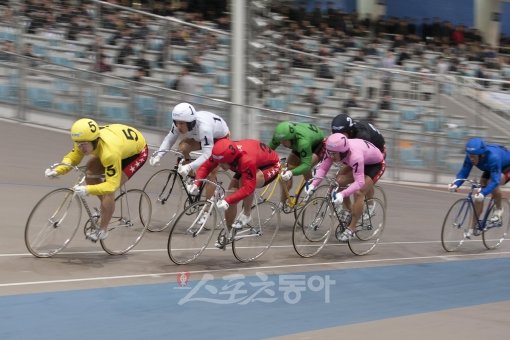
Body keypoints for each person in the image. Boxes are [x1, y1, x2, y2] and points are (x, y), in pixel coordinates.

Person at [44, 118, 148, 241]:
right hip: (120, 142)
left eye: (84, 145)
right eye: (78, 144)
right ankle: (105, 208)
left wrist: (87, 190)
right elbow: (73, 158)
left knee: (108, 192)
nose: (81, 148)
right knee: (89, 173)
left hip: (136, 153)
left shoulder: (109, 153)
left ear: (95, 140)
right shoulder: (84, 138)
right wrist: (58, 170)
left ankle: (103, 230)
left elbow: (111, 185)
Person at [188, 139, 280, 248]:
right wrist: (196, 183)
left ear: (230, 159)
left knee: (244, 184)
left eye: (222, 163)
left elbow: (248, 188)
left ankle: (247, 214)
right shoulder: (221, 154)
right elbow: (205, 167)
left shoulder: (246, 160)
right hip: (249, 161)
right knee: (231, 196)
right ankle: (229, 231)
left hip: (270, 165)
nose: (220, 165)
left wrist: (227, 201)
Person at [306, 133, 385, 241]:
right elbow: (323, 169)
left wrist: (342, 194)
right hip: (362, 159)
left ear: (343, 152)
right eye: (329, 153)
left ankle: (351, 228)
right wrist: (313, 185)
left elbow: (359, 183)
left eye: (334, 154)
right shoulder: (334, 151)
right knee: (338, 181)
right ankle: (349, 210)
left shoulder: (355, 156)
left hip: (375, 164)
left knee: (359, 192)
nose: (331, 156)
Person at [149, 102, 230, 196]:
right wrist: (159, 155)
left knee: (210, 172)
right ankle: (192, 177)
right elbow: (169, 140)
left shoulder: (204, 128)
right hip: (201, 137)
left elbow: (207, 154)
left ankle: (207, 208)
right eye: (176, 122)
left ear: (191, 122)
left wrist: (189, 166)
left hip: (219, 138)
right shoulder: (179, 123)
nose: (178, 126)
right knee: (182, 148)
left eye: (181, 124)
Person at [448, 138, 510, 236]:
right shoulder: (471, 157)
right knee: (480, 189)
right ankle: (472, 227)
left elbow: (495, 181)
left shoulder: (493, 157)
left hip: (506, 166)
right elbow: (464, 172)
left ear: (481, 155)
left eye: (473, 156)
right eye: (469, 155)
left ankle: (498, 210)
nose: (471, 158)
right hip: (491, 166)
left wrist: (484, 193)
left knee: (491, 182)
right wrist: (456, 183)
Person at [268, 121, 325, 205]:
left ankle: (311, 190)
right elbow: (267, 151)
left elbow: (306, 165)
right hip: (303, 140)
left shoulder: (303, 142)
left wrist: (291, 172)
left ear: (291, 138)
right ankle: (282, 203)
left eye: (284, 141)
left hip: (317, 144)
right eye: (280, 141)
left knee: (305, 168)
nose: (282, 143)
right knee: (288, 167)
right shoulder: (280, 137)